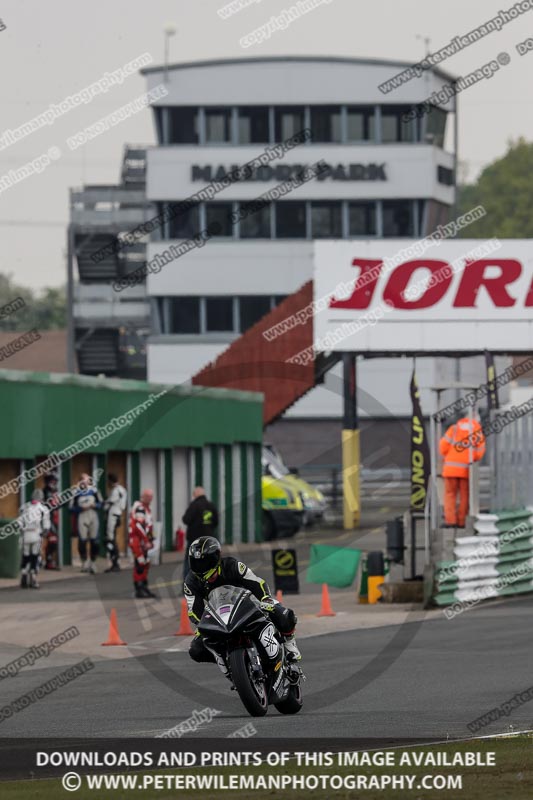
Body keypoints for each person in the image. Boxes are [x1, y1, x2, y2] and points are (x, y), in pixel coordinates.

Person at [184, 536, 301, 674]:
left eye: (205, 562)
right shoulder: (191, 582)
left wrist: (265, 599)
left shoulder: (232, 565)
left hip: (248, 605)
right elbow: (194, 610)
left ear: (216, 558)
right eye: (197, 563)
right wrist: (202, 626)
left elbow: (257, 583)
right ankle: (227, 660)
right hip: (220, 616)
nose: (201, 567)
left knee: (283, 613)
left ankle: (289, 644)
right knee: (196, 649)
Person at [439, 416, 486, 528]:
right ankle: (461, 521)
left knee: (450, 495)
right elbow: (480, 451)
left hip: (450, 468)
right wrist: (471, 458)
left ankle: (451, 521)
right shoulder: (476, 431)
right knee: (465, 496)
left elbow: (442, 447)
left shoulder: (454, 428)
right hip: (466, 469)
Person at [182, 487, 219, 579]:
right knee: (208, 563)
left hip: (195, 540)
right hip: (208, 540)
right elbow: (216, 521)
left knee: (190, 562)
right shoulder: (211, 505)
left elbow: (186, 519)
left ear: (195, 494)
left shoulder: (194, 505)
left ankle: (188, 586)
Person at [70, 473, 103, 574]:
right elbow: (70, 508)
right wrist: (80, 508)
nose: (86, 482)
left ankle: (93, 562)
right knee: (82, 540)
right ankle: (84, 562)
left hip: (92, 515)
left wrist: (95, 505)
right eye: (84, 480)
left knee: (95, 541)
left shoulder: (94, 490)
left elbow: (102, 503)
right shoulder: (75, 491)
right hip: (82, 515)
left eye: (88, 480)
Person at [129, 489, 157, 599]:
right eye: (148, 496)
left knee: (146, 563)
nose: (150, 498)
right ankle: (139, 590)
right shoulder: (140, 508)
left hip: (143, 541)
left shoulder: (146, 508)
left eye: (151, 496)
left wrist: (150, 540)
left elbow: (147, 527)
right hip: (137, 541)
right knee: (140, 564)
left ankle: (144, 587)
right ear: (143, 496)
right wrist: (146, 540)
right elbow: (139, 526)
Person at [19, 489, 50, 589]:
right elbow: (46, 525)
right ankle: (33, 577)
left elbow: (19, 522)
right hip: (36, 534)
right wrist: (44, 532)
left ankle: (24, 575)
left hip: (26, 534)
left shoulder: (24, 506)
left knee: (26, 556)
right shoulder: (43, 508)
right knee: (35, 557)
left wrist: (22, 531)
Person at [103, 473, 127, 573]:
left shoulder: (116, 491)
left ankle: (115, 562)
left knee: (110, 539)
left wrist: (102, 504)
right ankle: (115, 561)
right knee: (111, 539)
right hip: (118, 514)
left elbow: (109, 502)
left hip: (113, 516)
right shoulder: (122, 489)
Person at [42, 472, 60, 570]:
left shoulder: (55, 492)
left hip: (55, 518)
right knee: (52, 540)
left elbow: (59, 504)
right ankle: (48, 561)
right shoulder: (45, 492)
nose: (54, 483)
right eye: (52, 481)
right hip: (48, 519)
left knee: (53, 541)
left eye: (55, 481)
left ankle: (49, 561)